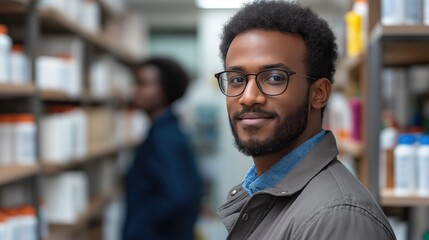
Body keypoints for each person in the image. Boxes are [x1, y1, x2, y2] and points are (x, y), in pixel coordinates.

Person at [214, 1, 396, 239]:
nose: (248, 97)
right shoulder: (263, 193)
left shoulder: (338, 219)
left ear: (318, 93)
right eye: (237, 79)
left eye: (274, 77)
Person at [123, 57, 203, 240]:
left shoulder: (164, 137)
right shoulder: (163, 130)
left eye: (142, 84)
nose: (135, 91)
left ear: (164, 89)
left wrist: (139, 226)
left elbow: (180, 196)